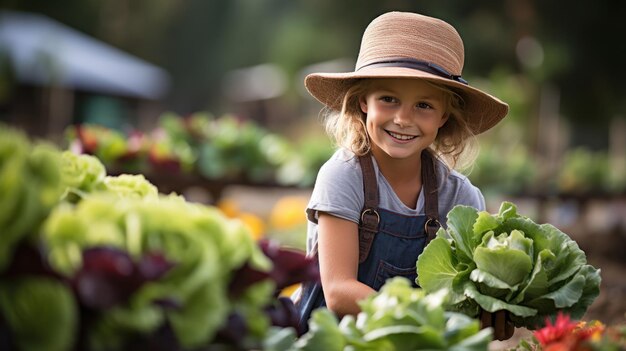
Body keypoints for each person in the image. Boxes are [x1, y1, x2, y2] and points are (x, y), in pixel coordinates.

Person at [293, 11, 513, 340]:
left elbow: (471, 295)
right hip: (331, 341)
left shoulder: (461, 198)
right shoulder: (342, 176)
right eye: (388, 99)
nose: (402, 119)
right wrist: (429, 317)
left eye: (423, 105)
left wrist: (492, 310)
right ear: (363, 102)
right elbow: (339, 292)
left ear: (444, 116)